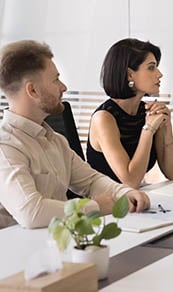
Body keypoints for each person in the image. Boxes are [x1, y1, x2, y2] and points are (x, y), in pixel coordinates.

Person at [0, 40, 150, 229]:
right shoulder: (6, 146)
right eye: (55, 79)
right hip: (18, 251)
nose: (63, 87)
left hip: (58, 241)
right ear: (32, 90)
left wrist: (124, 193)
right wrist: (96, 207)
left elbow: (91, 181)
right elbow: (32, 213)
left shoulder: (55, 140)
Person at [87, 38, 173, 189]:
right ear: (130, 75)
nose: (160, 74)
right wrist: (148, 129)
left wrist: (166, 127)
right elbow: (130, 181)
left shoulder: (147, 112)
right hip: (106, 204)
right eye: (151, 68)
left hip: (134, 199)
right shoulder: (103, 118)